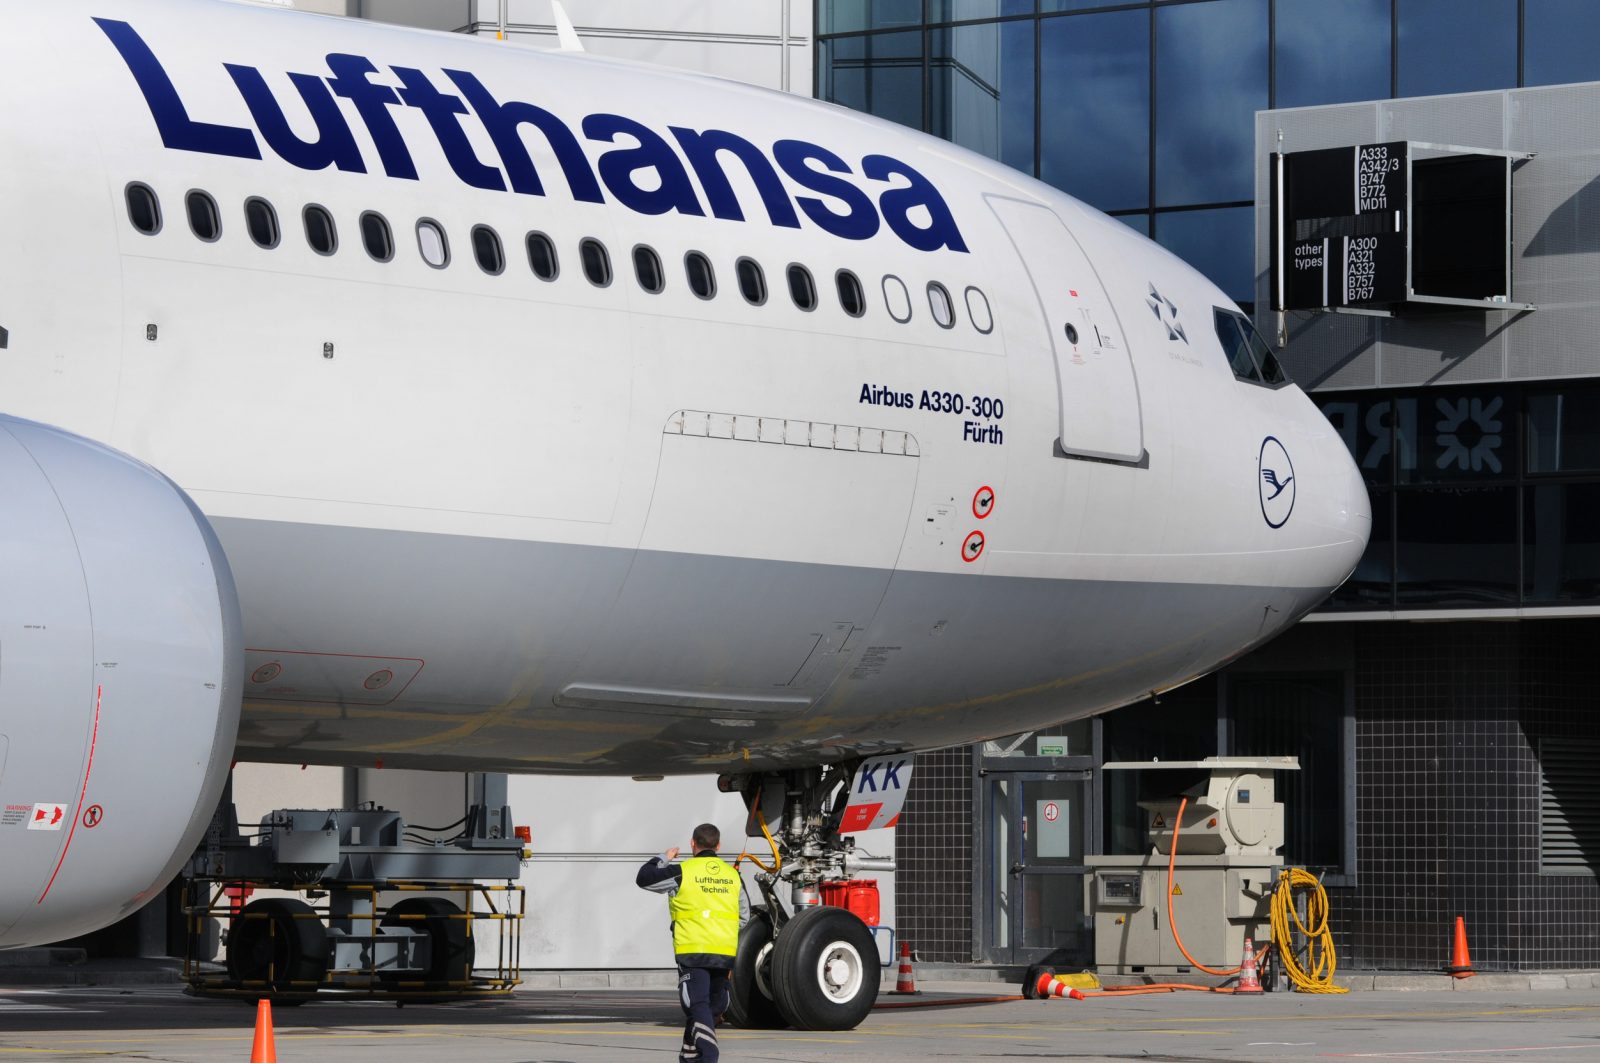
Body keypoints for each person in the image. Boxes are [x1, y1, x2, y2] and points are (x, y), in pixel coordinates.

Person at [637, 822, 750, 1063]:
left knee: (697, 1004)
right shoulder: (733, 876)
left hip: (692, 949)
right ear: (718, 845)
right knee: (715, 1004)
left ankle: (709, 1055)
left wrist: (663, 858)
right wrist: (721, 931)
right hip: (723, 951)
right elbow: (744, 916)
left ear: (692, 843)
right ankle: (690, 1056)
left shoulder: (683, 872)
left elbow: (644, 878)